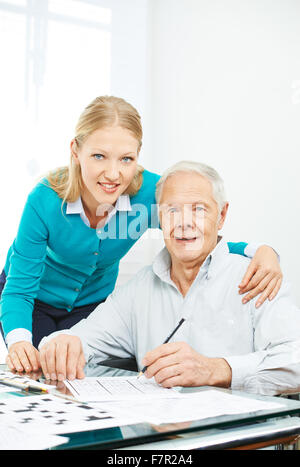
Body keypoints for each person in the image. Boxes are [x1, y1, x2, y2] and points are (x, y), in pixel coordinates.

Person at [1, 96, 281, 374]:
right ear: (76, 151)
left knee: (80, 377)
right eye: (99, 156)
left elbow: (192, 234)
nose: (113, 174)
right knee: (41, 373)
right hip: (31, 300)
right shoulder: (44, 200)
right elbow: (18, 289)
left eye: (126, 159)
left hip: (90, 306)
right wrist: (18, 342)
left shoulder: (150, 194)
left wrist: (258, 250)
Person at [38, 161, 300, 395]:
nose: (184, 222)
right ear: (160, 217)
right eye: (172, 210)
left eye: (198, 209)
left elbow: (296, 361)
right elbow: (78, 340)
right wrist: (59, 345)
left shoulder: (257, 276)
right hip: (156, 440)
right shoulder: (141, 287)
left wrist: (217, 370)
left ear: (221, 216)